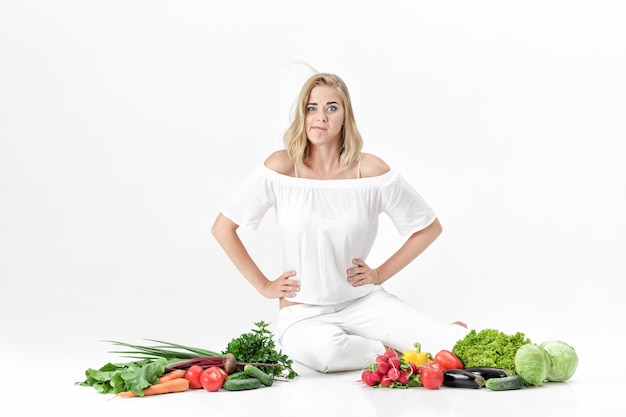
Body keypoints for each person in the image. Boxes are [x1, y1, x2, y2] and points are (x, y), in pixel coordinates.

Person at [211, 72, 468, 373]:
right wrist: (265, 285)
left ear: (345, 117)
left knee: (456, 344)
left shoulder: (369, 171)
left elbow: (428, 227)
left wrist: (380, 273)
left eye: (331, 108)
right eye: (312, 108)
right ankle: (390, 350)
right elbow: (223, 228)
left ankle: (424, 336)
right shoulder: (282, 168)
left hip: (363, 303)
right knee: (328, 353)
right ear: (302, 115)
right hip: (302, 314)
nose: (320, 117)